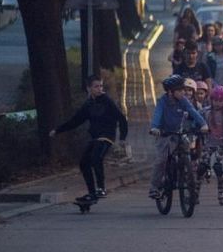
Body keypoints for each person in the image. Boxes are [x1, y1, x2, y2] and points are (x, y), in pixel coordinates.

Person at [49, 76, 129, 204]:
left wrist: (122, 138)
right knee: (83, 163)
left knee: (96, 158)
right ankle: (92, 192)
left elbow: (122, 119)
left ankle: (101, 188)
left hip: (106, 136)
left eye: (101, 86)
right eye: (96, 86)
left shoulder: (106, 101)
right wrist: (58, 130)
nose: (99, 89)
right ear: (89, 88)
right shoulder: (88, 104)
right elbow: (75, 121)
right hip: (95, 137)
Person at [148, 75, 207, 200]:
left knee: (186, 151)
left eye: (183, 90)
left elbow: (193, 112)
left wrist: (203, 124)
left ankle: (185, 173)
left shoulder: (183, 101)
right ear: (170, 92)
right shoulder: (162, 102)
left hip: (178, 133)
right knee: (161, 160)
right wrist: (155, 128)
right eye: (180, 90)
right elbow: (157, 115)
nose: (183, 92)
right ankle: (154, 187)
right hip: (164, 134)